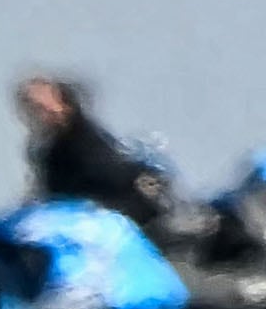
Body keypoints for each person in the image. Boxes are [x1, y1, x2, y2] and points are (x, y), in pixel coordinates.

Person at [12, 74, 188, 239]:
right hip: (84, 222)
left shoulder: (86, 142)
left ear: (63, 103)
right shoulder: (48, 153)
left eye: (43, 107)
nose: (42, 114)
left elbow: (115, 179)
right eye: (34, 109)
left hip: (124, 222)